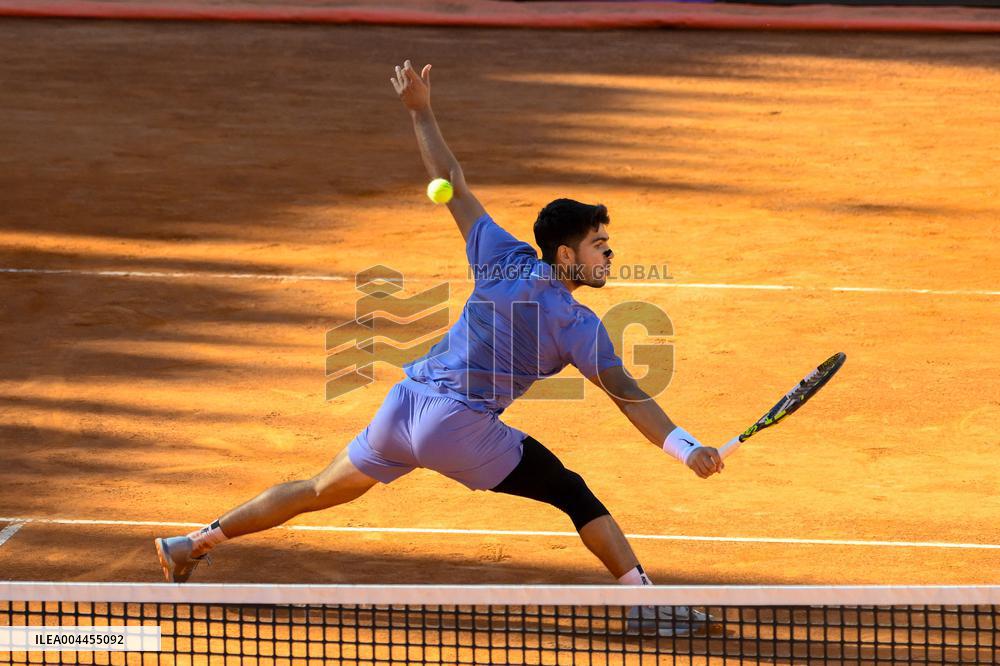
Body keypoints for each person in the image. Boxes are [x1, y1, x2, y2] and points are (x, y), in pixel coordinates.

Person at [155, 60, 723, 636]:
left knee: (318, 489)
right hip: (458, 427)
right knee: (571, 492)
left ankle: (192, 542)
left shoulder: (502, 256)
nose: (609, 254)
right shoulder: (577, 323)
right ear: (566, 255)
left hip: (403, 407)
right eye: (599, 244)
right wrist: (686, 449)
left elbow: (450, 178)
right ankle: (644, 605)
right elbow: (629, 397)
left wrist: (420, 110)